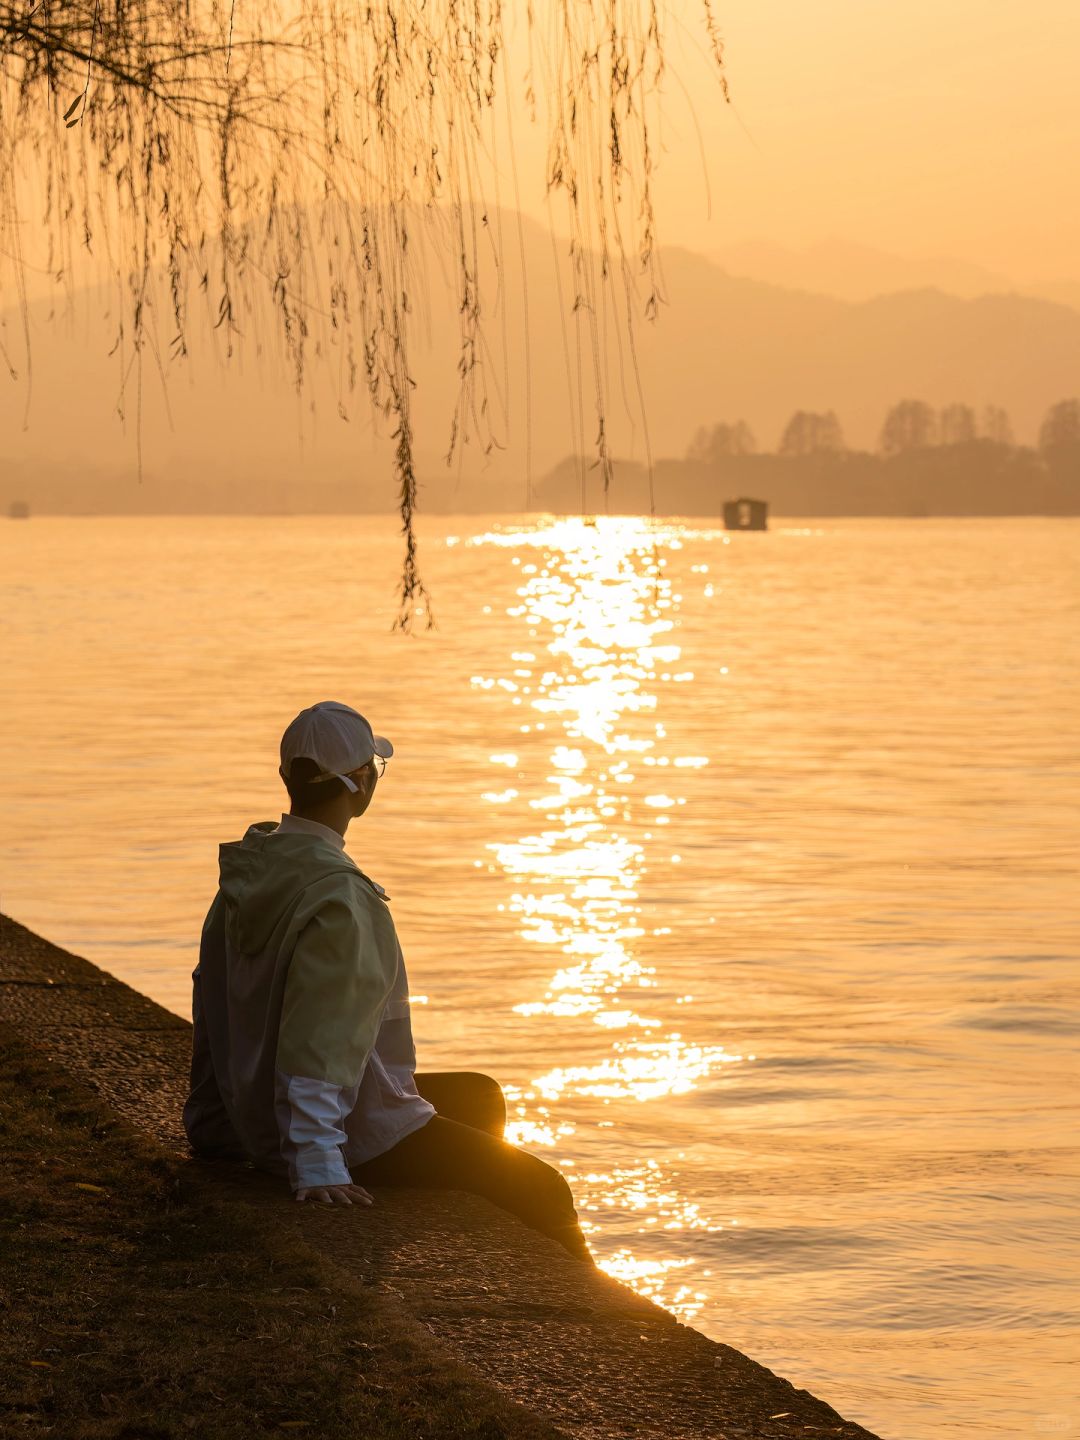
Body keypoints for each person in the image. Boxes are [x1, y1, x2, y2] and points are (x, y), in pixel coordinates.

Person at [183, 700, 593, 1264]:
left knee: (479, 1096)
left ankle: (480, 1251)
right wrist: (317, 1162)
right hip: (334, 1130)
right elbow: (318, 1045)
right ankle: (587, 1319)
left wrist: (212, 1121)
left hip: (251, 1110)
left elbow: (212, 1000)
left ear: (286, 778)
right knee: (543, 1188)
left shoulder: (249, 873)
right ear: (360, 784)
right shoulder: (342, 899)